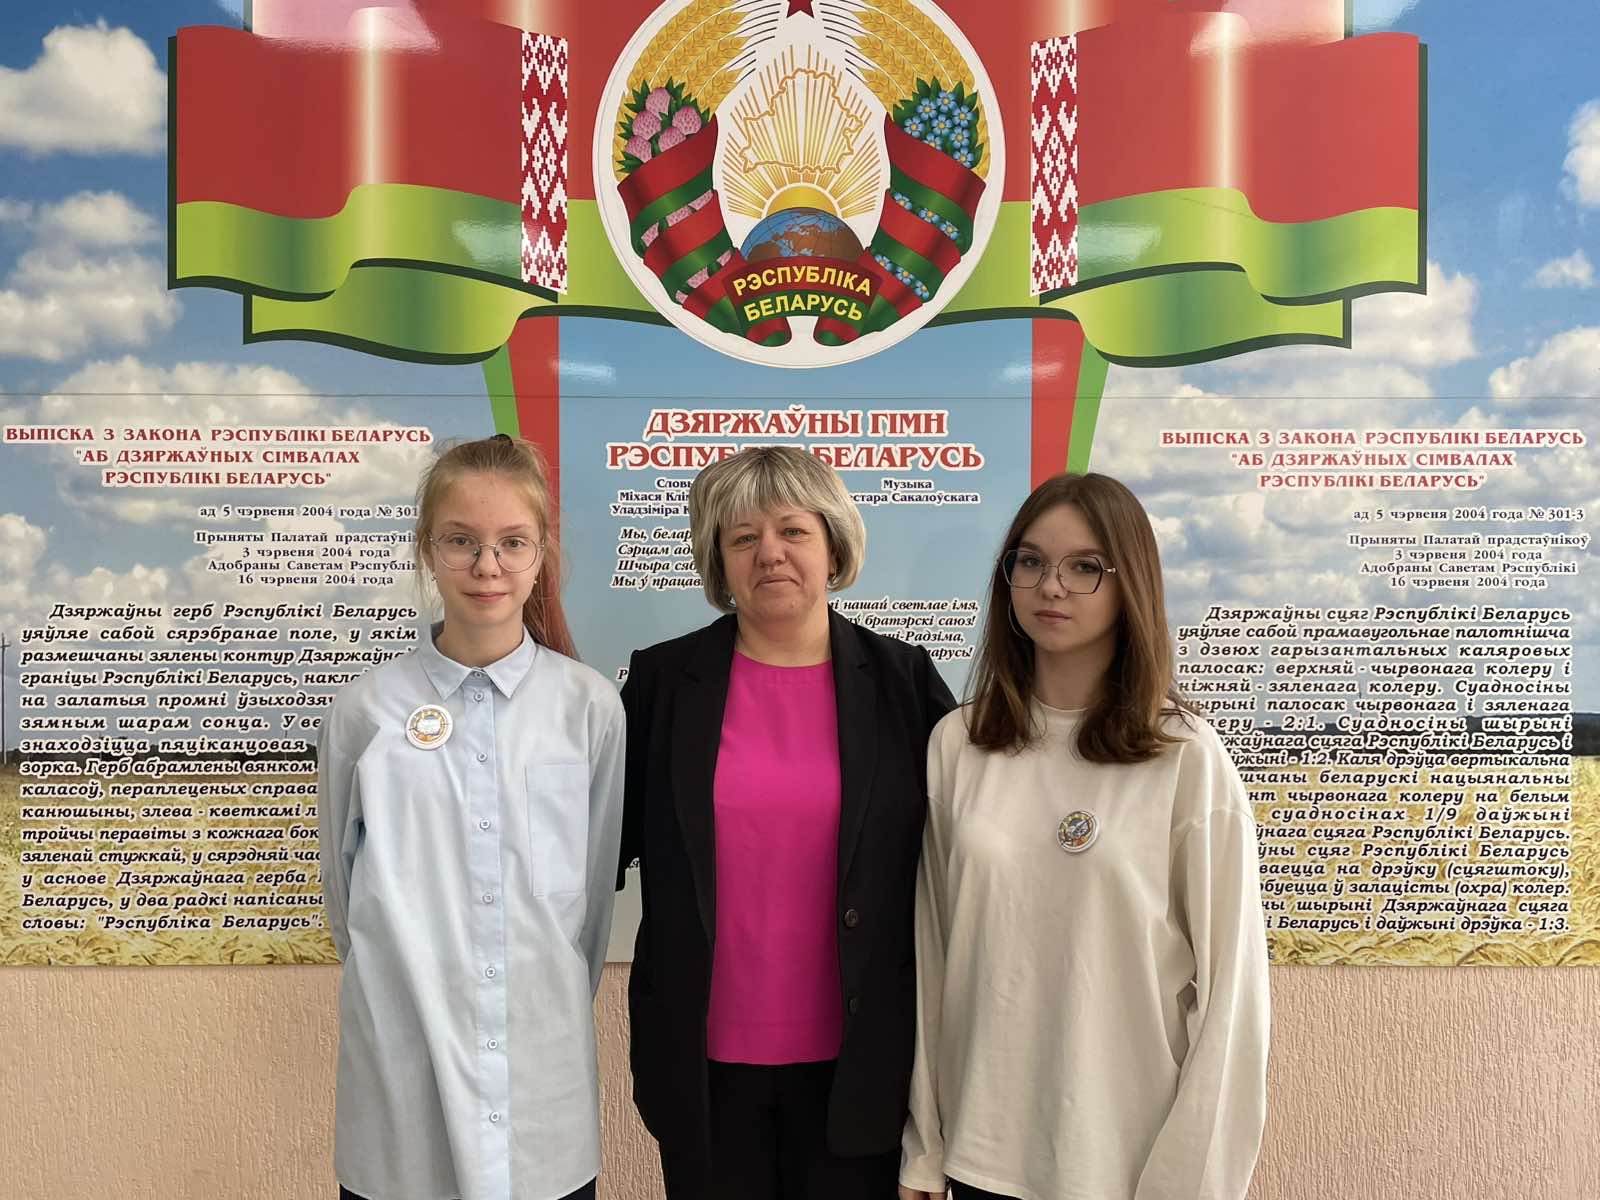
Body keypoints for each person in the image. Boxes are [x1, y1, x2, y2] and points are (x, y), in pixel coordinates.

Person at [899, 472, 1270, 1200]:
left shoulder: (1184, 757)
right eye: (1031, 562)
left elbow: (1232, 1000)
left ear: (1130, 583)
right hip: (981, 1156)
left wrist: (1189, 1186)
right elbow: (932, 958)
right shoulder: (958, 744)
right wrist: (925, 1145)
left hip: (1124, 1165)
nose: (1052, 586)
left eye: (1084, 566)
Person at [618, 446, 957, 1200]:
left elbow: (968, 851)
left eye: (793, 531)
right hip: (703, 1067)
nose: (769, 552)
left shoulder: (902, 683)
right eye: (742, 537)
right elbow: (595, 846)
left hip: (862, 1067)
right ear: (719, 561)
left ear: (834, 547)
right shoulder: (664, 683)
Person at [319, 434, 625, 1200]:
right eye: (461, 541)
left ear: (542, 554)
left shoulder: (589, 709)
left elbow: (591, 905)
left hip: (542, 1096)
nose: (488, 566)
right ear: (428, 549)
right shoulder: (365, 712)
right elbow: (344, 901)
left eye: (512, 543)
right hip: (402, 1087)